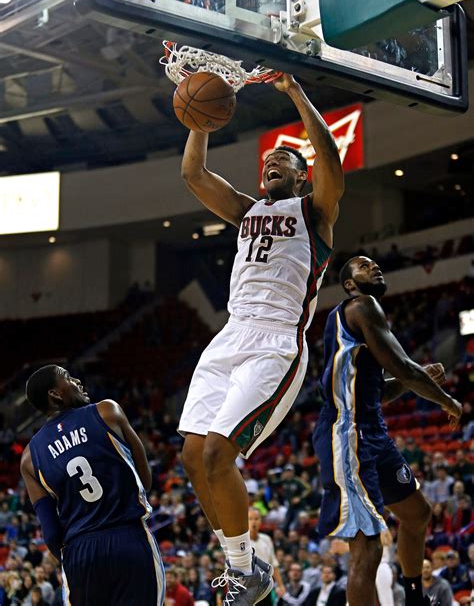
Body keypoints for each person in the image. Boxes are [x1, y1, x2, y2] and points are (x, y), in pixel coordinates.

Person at [179, 72, 344, 606]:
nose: (271, 162)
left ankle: (246, 569)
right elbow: (193, 173)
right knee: (190, 455)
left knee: (219, 453)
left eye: (284, 161)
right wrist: (199, 120)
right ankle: (242, 567)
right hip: (229, 336)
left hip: (275, 341)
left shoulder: (315, 213)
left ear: (301, 177)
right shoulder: (248, 211)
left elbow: (330, 159)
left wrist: (294, 92)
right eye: (266, 160)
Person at [313, 255, 463, 606]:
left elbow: (382, 388)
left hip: (369, 431)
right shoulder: (361, 306)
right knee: (366, 547)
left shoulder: (358, 317)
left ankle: (414, 598)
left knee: (417, 514)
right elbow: (404, 369)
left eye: (375, 264)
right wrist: (446, 400)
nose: (374, 267)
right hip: (346, 433)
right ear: (350, 284)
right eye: (364, 266)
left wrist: (417, 378)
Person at [20, 365, 165, 606]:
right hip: (127, 539)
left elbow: (51, 532)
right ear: (55, 394)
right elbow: (145, 479)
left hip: (79, 554)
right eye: (67, 377)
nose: (76, 380)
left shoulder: (29, 457)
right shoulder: (108, 411)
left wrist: (75, 558)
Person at [248, 507, 286, 603]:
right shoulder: (241, 542)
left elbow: (273, 564)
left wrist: (280, 585)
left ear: (261, 521)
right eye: (250, 519)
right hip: (247, 588)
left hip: (265, 587)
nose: (254, 522)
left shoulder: (267, 539)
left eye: (256, 519)